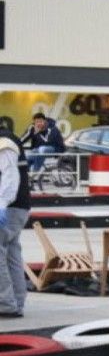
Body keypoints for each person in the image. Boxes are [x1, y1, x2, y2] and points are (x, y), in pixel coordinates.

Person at [0, 128, 31, 318]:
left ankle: (5, 303)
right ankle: (17, 301)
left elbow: (10, 175)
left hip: (10, 207)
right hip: (16, 207)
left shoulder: (4, 142)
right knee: (12, 254)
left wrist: (2, 204)